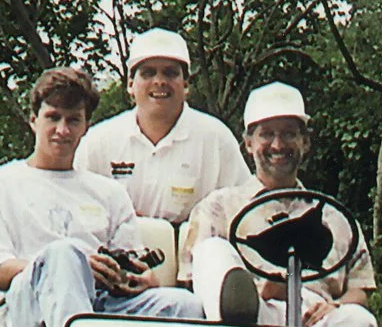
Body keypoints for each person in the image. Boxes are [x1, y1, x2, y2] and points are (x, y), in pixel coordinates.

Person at [0, 66, 203, 327]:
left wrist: (132, 278)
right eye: (52, 118)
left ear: (86, 126)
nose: (62, 130)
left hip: (103, 303)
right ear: (33, 120)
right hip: (29, 306)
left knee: (185, 306)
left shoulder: (109, 192)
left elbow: (134, 264)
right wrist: (73, 268)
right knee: (63, 255)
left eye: (73, 120)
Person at [182, 82, 380, 327]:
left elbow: (360, 289)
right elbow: (192, 281)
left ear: (305, 142)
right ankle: (240, 310)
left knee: (359, 319)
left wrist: (335, 306)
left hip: (318, 324)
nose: (277, 145)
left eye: (288, 134)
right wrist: (264, 292)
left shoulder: (334, 215)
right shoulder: (218, 206)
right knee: (211, 250)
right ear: (248, 144)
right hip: (254, 320)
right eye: (267, 134)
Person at [73, 28, 251, 224]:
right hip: (116, 249)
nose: (159, 81)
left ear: (185, 84)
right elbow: (77, 208)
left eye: (170, 73)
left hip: (192, 250)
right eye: (148, 73)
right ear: (130, 84)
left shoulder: (216, 139)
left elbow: (242, 210)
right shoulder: (99, 141)